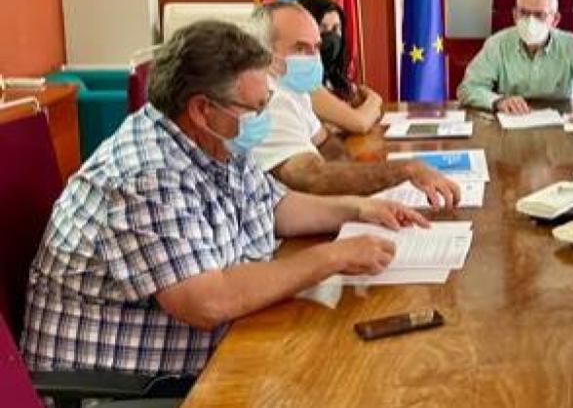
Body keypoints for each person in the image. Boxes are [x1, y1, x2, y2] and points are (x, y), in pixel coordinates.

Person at [21, 21, 420, 375]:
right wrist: (332, 258)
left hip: (222, 350)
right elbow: (208, 301)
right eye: (256, 108)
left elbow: (275, 207)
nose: (263, 117)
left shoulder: (216, 138)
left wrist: (360, 209)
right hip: (131, 385)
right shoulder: (146, 176)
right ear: (201, 109)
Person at [249, 0, 460, 205]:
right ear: (263, 51)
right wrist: (406, 169)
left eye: (316, 48)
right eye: (300, 49)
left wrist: (342, 172)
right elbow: (311, 178)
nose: (313, 58)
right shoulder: (269, 98)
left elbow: (324, 141)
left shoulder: (293, 89)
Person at [457, 0, 573, 126]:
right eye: (523, 13)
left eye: (539, 15)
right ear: (515, 15)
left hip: (560, 125)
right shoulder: (497, 44)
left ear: (555, 19)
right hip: (511, 123)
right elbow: (468, 88)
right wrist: (498, 101)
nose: (530, 21)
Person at [298, 0, 383, 134]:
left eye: (336, 29)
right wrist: (375, 99)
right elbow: (361, 122)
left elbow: (368, 113)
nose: (331, 37)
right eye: (322, 29)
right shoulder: (302, 79)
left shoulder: (334, 77)